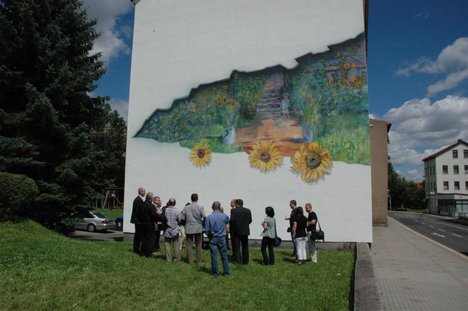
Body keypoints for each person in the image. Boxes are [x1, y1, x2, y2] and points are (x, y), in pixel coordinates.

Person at [205, 201, 230, 277]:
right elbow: (227, 220)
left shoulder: (209, 217)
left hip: (213, 237)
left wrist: (209, 236)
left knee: (214, 255)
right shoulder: (224, 216)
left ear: (212, 207)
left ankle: (216, 273)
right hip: (222, 237)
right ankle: (226, 272)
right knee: (224, 255)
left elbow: (206, 230)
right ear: (219, 207)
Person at [181, 193, 206, 264]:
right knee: (198, 244)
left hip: (189, 228)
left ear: (191, 199)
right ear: (197, 199)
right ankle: (199, 261)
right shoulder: (200, 207)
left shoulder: (186, 207)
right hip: (198, 228)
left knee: (189, 245)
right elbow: (204, 217)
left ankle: (190, 261)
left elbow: (182, 218)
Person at [230, 199, 252, 264]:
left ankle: (237, 261)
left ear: (236, 204)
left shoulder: (233, 211)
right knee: (245, 247)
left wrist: (232, 228)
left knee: (237, 247)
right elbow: (250, 220)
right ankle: (245, 261)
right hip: (245, 231)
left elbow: (232, 221)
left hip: (236, 231)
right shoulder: (248, 211)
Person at [139, 192, 159, 257]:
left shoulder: (142, 204)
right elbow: (154, 215)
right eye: (153, 198)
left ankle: (142, 251)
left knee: (144, 238)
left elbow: (139, 213)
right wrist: (159, 216)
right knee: (150, 239)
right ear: (151, 199)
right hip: (150, 224)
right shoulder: (151, 206)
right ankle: (148, 252)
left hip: (142, 223)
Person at [130, 187, 145, 254]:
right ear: (140, 192)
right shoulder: (138, 200)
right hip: (138, 221)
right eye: (143, 191)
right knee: (138, 235)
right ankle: (136, 249)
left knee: (138, 235)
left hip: (138, 220)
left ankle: (136, 248)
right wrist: (142, 219)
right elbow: (138, 211)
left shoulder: (139, 199)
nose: (144, 193)